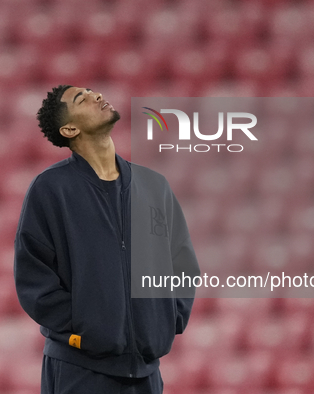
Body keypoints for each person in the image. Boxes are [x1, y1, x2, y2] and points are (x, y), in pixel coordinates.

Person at [14, 85, 199, 394]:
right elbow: (34, 277)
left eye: (92, 91)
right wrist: (84, 330)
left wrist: (167, 319)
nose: (96, 95)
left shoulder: (154, 186)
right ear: (69, 128)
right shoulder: (50, 189)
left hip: (146, 375)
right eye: (80, 98)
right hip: (80, 371)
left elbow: (182, 262)